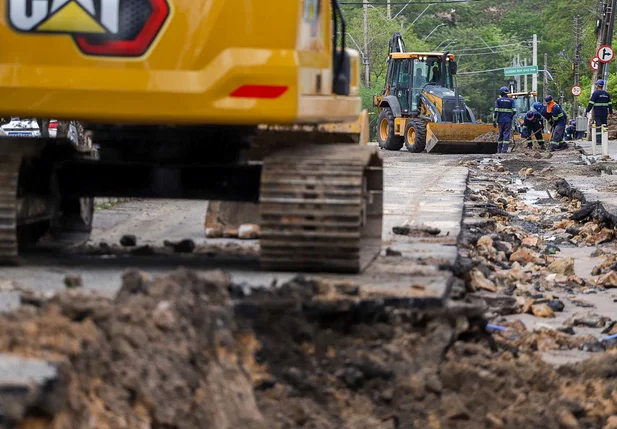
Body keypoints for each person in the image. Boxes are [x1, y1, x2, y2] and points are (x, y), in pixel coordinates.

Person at [585, 79, 613, 145]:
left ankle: (599, 140)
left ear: (597, 85)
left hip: (597, 112)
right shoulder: (606, 94)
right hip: (605, 112)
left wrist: (587, 111)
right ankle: (604, 139)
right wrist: (611, 112)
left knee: (598, 126)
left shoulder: (595, 93)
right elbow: (610, 104)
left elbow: (591, 103)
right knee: (604, 125)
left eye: (596, 85)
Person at [493, 86, 516, 153]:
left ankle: (499, 150)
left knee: (500, 134)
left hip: (500, 120)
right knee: (506, 134)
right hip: (508, 120)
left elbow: (496, 111)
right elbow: (514, 111)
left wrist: (494, 121)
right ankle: (504, 150)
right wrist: (510, 117)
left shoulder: (498, 100)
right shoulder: (511, 100)